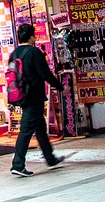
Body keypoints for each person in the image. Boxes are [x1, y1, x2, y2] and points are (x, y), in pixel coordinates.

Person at [9, 24, 66, 177]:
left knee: (40, 127)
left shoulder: (14, 54)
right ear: (31, 37)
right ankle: (18, 164)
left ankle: (50, 158)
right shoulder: (33, 52)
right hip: (34, 97)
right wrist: (61, 87)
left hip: (21, 96)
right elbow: (46, 74)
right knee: (26, 130)